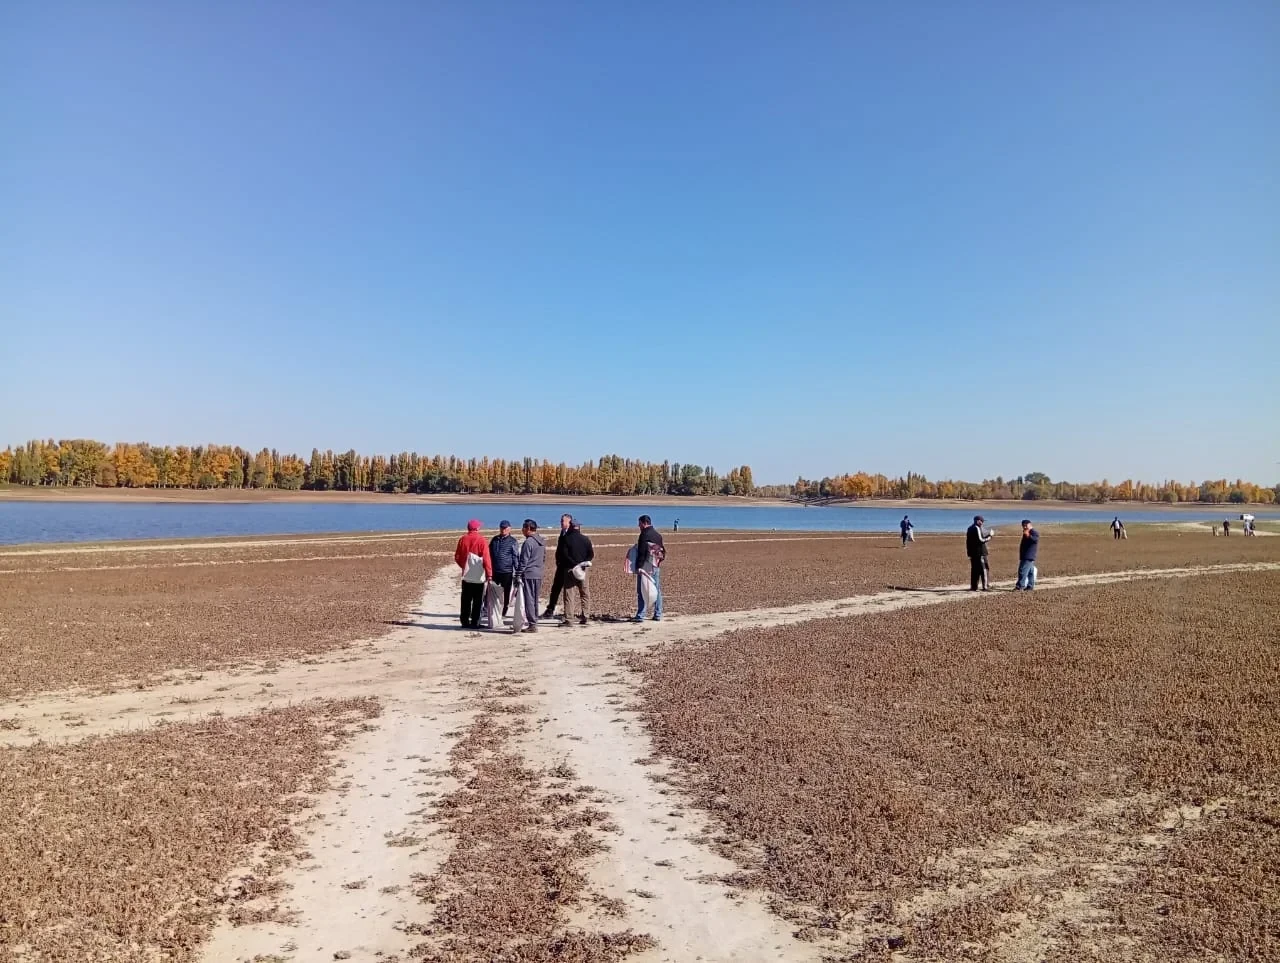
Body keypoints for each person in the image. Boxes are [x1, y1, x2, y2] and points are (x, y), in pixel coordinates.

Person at [453, 519, 492, 629]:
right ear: (477, 528)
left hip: (466, 575)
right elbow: (486, 558)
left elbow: (457, 557)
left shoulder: (463, 539)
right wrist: (489, 573)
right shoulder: (481, 540)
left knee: (465, 599)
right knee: (477, 600)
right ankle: (475, 622)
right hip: (478, 576)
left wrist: (463, 566)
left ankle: (464, 621)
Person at [557, 519, 594, 626]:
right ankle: (586, 616)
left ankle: (569, 619)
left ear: (571, 526)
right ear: (579, 527)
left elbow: (564, 555)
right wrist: (582, 563)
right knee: (585, 593)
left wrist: (574, 564)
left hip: (570, 569)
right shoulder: (585, 539)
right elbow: (591, 554)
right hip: (582, 569)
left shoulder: (566, 539)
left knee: (569, 595)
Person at [632, 514, 666, 622]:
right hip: (655, 566)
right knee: (657, 590)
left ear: (645, 523)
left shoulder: (644, 534)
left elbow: (642, 553)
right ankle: (658, 613)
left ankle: (641, 615)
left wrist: (638, 567)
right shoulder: (658, 535)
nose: (638, 526)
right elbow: (662, 551)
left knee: (642, 590)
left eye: (640, 524)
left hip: (645, 567)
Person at [515, 519, 546, 633]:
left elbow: (523, 561)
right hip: (538, 573)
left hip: (529, 574)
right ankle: (534, 621)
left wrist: (518, 574)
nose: (522, 530)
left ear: (528, 528)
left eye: (523, 527)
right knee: (535, 599)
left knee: (529, 599)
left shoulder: (528, 542)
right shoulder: (541, 541)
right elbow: (543, 558)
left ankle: (532, 624)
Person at [542, 513, 574, 620]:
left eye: (563, 521)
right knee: (555, 588)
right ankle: (550, 609)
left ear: (569, 522)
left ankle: (568, 613)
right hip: (560, 565)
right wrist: (558, 560)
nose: (561, 523)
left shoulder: (572, 533)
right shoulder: (562, 532)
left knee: (568, 591)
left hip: (568, 566)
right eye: (561, 521)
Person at [488, 520, 519, 618]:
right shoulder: (494, 540)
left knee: (506, 593)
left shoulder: (513, 541)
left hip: (507, 572)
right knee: (494, 592)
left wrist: (518, 572)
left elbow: (515, 557)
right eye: (502, 528)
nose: (503, 530)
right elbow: (489, 554)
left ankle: (504, 611)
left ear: (509, 529)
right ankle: (494, 610)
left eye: (505, 528)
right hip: (495, 571)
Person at [965, 515, 992, 591]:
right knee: (984, 569)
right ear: (977, 521)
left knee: (975, 570)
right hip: (980, 553)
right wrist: (990, 536)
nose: (982, 523)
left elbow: (968, 542)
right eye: (981, 521)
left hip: (973, 553)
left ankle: (974, 587)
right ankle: (985, 586)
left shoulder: (970, 528)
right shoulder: (976, 528)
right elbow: (981, 540)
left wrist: (969, 553)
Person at [1014, 519, 1039, 590]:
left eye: (1026, 525)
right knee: (1030, 572)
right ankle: (1030, 586)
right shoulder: (1027, 532)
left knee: (1022, 571)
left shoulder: (1033, 532)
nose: (1024, 527)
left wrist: (1028, 535)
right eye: (1023, 526)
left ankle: (1020, 586)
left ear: (1030, 524)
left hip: (1028, 556)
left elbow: (1035, 540)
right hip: (1026, 556)